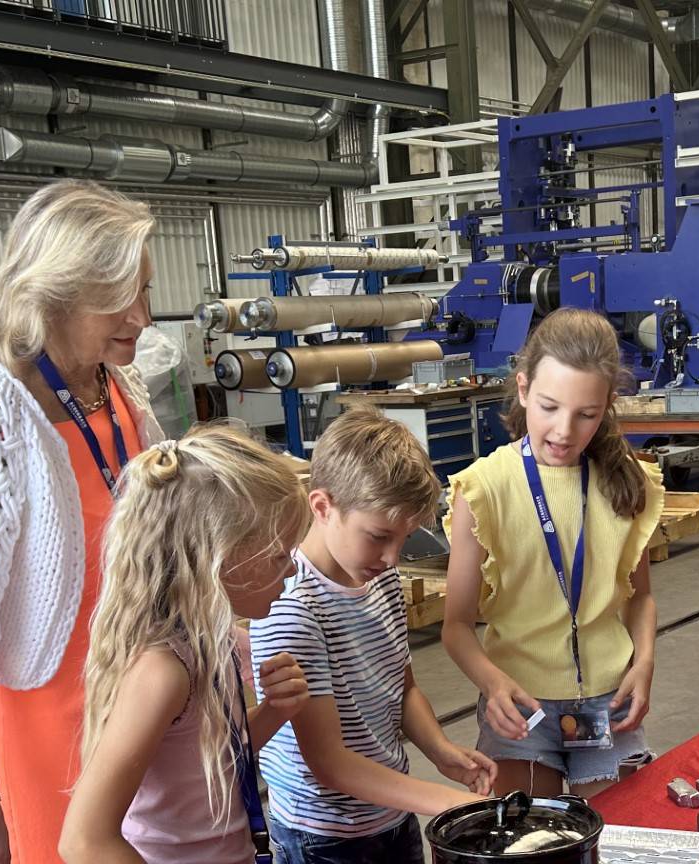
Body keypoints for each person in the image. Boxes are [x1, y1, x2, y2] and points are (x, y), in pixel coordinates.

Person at [0, 179, 163, 864]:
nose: (142, 316)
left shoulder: (120, 388)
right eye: (120, 297)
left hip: (150, 700)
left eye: (145, 291)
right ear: (55, 292)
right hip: (55, 718)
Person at [59, 425, 314, 864]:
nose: (290, 571)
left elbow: (206, 764)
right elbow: (85, 840)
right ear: (219, 556)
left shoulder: (217, 642)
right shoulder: (162, 671)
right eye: (279, 554)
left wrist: (274, 711)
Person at [250, 408, 494, 863]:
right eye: (379, 536)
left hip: (391, 811)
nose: (391, 556)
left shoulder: (380, 577)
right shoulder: (292, 609)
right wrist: (446, 803)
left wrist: (439, 751)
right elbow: (330, 763)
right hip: (325, 836)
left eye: (404, 539)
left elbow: (401, 687)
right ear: (322, 506)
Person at [442, 308, 666, 798]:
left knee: (620, 839)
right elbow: (455, 627)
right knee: (529, 840)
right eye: (548, 407)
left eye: (586, 414)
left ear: (606, 406)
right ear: (522, 390)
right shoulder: (483, 490)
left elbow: (640, 598)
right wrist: (493, 684)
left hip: (610, 701)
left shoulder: (628, 481)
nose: (564, 431)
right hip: (521, 707)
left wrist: (644, 663)